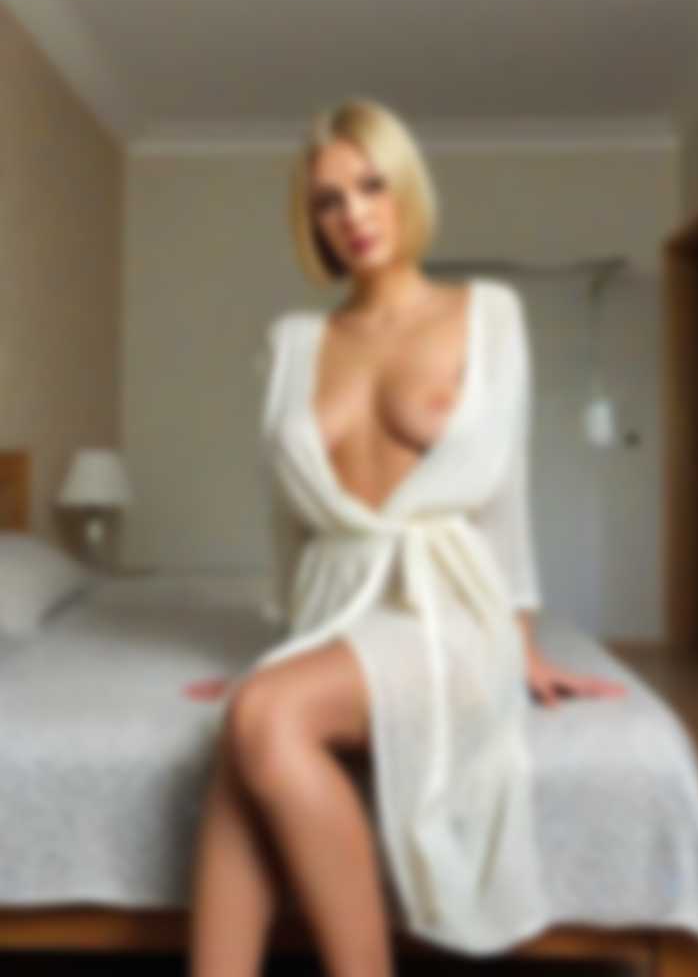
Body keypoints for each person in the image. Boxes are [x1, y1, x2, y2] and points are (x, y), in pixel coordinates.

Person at [186, 96, 628, 977]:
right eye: (328, 200)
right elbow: (289, 520)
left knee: (262, 716)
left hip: (445, 619)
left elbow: (507, 495)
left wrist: (520, 643)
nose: (353, 213)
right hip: (335, 611)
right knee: (255, 722)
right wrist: (288, 654)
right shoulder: (292, 342)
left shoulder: (487, 313)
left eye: (371, 185)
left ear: (405, 190)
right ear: (310, 221)